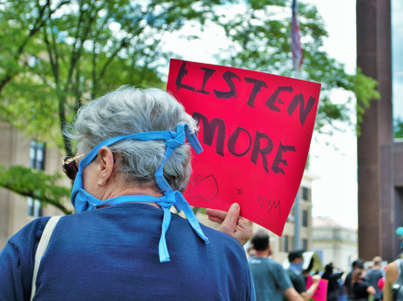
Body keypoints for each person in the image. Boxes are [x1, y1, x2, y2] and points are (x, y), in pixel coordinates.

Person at [0, 87, 255, 300]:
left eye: (75, 166)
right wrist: (217, 253)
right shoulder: (227, 256)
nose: (76, 176)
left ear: (104, 163)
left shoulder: (38, 243)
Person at [248, 230, 304, 301]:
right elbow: (293, 295)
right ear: (268, 246)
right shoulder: (275, 266)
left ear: (253, 246)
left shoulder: (245, 264)